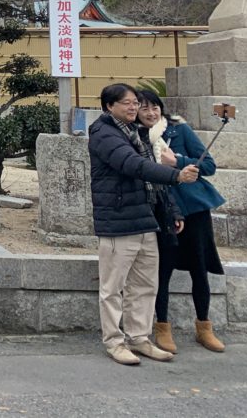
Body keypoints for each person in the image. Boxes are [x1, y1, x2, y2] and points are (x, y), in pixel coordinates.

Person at [89, 82, 199, 366]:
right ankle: (114, 342)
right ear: (109, 106)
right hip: (118, 221)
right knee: (113, 288)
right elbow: (132, 165)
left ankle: (139, 338)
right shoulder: (104, 133)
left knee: (144, 284)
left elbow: (151, 181)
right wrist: (175, 175)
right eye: (126, 102)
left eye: (135, 102)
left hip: (146, 219)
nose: (133, 107)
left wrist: (173, 211)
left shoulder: (138, 134)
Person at [137, 89, 227, 354]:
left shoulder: (179, 130)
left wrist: (178, 161)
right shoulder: (136, 138)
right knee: (162, 270)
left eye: (155, 107)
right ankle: (162, 327)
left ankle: (204, 327)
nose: (151, 113)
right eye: (144, 108)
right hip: (161, 212)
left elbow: (208, 165)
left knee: (199, 268)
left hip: (194, 210)